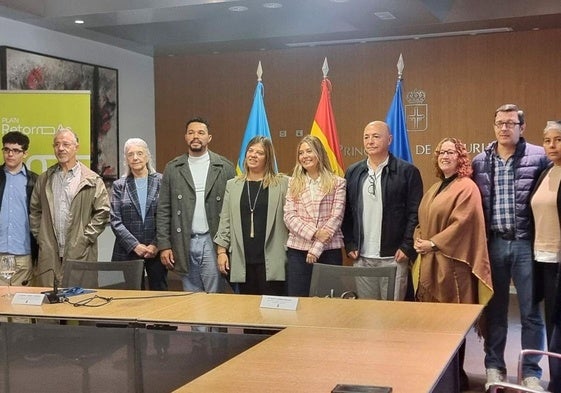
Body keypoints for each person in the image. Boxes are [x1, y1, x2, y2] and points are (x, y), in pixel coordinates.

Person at [472, 104, 549, 391]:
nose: (504, 128)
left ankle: (531, 372)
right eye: (500, 123)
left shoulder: (539, 156)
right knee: (496, 310)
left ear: (521, 127)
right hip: (494, 244)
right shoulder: (480, 161)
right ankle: (494, 367)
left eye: (510, 123)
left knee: (530, 311)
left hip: (525, 244)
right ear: (494, 126)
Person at [413, 137, 493, 391]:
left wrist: (434, 243)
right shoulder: (436, 187)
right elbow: (423, 220)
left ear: (461, 158)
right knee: (433, 326)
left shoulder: (466, 187)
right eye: (441, 152)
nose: (445, 156)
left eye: (451, 152)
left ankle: (455, 378)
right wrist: (418, 238)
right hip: (430, 262)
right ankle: (437, 373)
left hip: (453, 267)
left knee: (451, 325)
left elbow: (463, 224)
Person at [342, 120, 423, 301]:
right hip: (361, 257)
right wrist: (350, 243)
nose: (370, 141)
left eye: (376, 136)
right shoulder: (353, 172)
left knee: (392, 315)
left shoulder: (407, 172)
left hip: (394, 256)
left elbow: (414, 213)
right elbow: (346, 213)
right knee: (368, 313)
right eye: (366, 137)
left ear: (389, 140)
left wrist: (407, 245)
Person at [157, 117, 235, 293]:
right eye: (191, 133)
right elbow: (163, 210)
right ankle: (197, 323)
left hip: (212, 240)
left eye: (201, 133)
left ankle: (211, 322)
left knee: (213, 294)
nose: (195, 137)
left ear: (209, 137)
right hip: (184, 241)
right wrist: (164, 245)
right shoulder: (173, 168)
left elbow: (233, 210)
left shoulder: (224, 167)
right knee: (191, 296)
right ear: (185, 137)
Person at [29, 127, 110, 286]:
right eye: (56, 144)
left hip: (80, 251)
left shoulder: (92, 179)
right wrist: (41, 237)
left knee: (79, 300)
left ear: (76, 147)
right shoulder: (45, 178)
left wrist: (84, 238)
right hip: (50, 252)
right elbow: (35, 210)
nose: (60, 148)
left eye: (66, 144)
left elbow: (103, 211)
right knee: (49, 302)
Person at [214, 136, 288, 296]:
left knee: (272, 310)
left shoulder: (282, 184)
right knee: (247, 309)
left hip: (272, 258)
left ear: (267, 158)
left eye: (259, 152)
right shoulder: (233, 185)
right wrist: (221, 252)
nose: (253, 155)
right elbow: (225, 221)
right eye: (250, 151)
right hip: (242, 258)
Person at [284, 135, 346, 297]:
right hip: (298, 251)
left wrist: (316, 249)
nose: (305, 156)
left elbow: (336, 217)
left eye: (309, 151)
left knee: (329, 302)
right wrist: (315, 233)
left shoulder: (337, 182)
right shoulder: (293, 182)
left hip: (329, 250)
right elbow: (289, 217)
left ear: (319, 153)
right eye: (301, 153)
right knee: (299, 300)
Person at [110, 138, 167, 290]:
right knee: (129, 299)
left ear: (147, 156)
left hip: (156, 251)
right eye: (130, 154)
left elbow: (168, 216)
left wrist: (156, 244)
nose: (135, 158)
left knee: (159, 297)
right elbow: (115, 221)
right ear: (126, 159)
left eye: (139, 153)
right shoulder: (119, 186)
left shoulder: (162, 181)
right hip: (127, 251)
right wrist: (135, 245)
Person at [531, 121, 561, 386]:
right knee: (552, 324)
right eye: (547, 140)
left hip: (559, 260)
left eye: (558, 140)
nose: (552, 145)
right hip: (544, 259)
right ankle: (556, 381)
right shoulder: (545, 172)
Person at [0, 131, 38, 286]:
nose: (10, 154)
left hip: (24, 254)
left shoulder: (35, 181)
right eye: (6, 149)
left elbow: (39, 217)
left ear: (25, 153)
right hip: (0, 252)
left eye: (16, 150)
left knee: (22, 303)